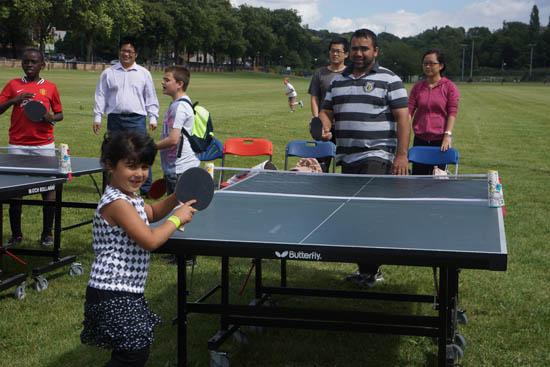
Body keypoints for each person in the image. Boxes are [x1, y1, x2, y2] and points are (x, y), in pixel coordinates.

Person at [80, 130, 196, 367]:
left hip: (123, 288)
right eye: (131, 166)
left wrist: (176, 197)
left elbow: (150, 213)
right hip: (112, 289)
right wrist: (177, 219)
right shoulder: (117, 202)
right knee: (132, 353)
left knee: (134, 350)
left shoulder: (129, 196)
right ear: (111, 165)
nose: (140, 173)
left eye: (145, 166)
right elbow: (150, 241)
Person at [319, 29, 410, 288]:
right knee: (354, 214)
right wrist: (324, 125)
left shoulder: (389, 79)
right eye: (355, 48)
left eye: (364, 49)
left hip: (377, 155)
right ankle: (367, 269)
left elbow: (403, 119)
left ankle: (371, 270)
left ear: (376, 51)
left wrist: (401, 155)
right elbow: (327, 111)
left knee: (368, 213)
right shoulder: (338, 81)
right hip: (347, 156)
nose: (359, 53)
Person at [0, 48, 63, 247]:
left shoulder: (50, 87)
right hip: (17, 145)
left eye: (33, 62)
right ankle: (16, 235)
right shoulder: (13, 85)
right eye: (26, 61)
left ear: (42, 65)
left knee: (48, 189)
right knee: (14, 191)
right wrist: (14, 100)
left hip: (44, 146)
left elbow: (59, 114)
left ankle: (47, 234)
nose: (29, 65)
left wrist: (51, 117)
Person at [92, 36, 159, 196]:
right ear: (119, 52)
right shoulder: (109, 73)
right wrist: (97, 117)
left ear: (136, 54)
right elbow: (100, 96)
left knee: (141, 152)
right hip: (115, 119)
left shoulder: (143, 73)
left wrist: (153, 117)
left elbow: (150, 96)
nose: (126, 54)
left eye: (130, 51)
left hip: (137, 119)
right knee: (114, 152)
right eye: (123, 51)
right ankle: (114, 184)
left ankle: (144, 188)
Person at [408, 48, 459, 175]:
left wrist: (447, 135)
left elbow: (452, 112)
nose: (427, 66)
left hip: (441, 141)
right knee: (418, 181)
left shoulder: (449, 87)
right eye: (425, 63)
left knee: (438, 182)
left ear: (441, 65)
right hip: (420, 140)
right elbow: (409, 111)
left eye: (431, 63)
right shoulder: (417, 87)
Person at [156, 66, 200, 195]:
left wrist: (151, 147)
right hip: (178, 166)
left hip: (179, 168)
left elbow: (173, 139)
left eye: (167, 80)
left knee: (178, 210)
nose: (163, 83)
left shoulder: (179, 107)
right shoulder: (180, 103)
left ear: (179, 84)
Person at [307, 37, 349, 172]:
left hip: (345, 127)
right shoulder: (320, 73)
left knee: (347, 164)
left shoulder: (351, 74)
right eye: (332, 51)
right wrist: (317, 121)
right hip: (325, 126)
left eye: (338, 51)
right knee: (321, 165)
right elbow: (314, 98)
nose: (335, 54)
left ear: (346, 54)